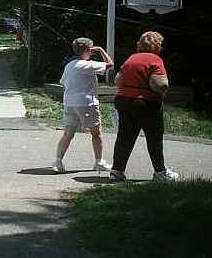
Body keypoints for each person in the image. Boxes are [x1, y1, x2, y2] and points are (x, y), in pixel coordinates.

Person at [109, 31, 179, 182]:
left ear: (139, 45)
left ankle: (116, 171)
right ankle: (160, 173)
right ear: (158, 46)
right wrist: (160, 91)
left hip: (123, 101)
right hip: (146, 103)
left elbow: (118, 81)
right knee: (154, 138)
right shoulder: (155, 59)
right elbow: (161, 84)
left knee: (124, 137)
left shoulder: (131, 59)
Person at [52, 38, 114, 173]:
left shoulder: (69, 65)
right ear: (87, 50)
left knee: (68, 133)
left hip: (69, 102)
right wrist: (101, 50)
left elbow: (63, 83)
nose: (91, 53)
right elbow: (110, 64)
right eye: (91, 50)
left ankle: (58, 161)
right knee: (96, 133)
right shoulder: (87, 65)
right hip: (87, 103)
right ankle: (99, 161)